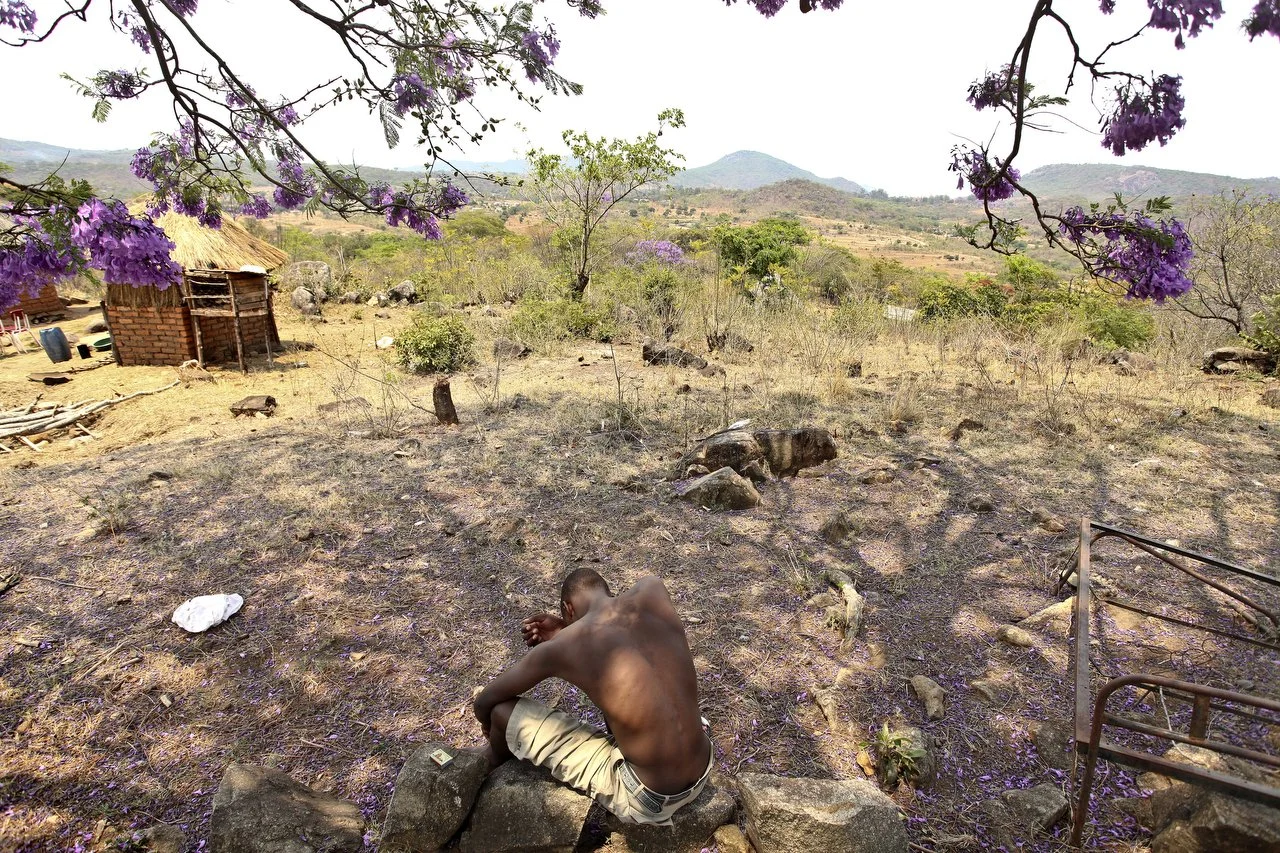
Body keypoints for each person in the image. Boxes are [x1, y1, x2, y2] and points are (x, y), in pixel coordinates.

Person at [472, 569, 712, 826]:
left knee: (502, 714)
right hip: (704, 765)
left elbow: (484, 703)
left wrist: (490, 728)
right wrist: (566, 629)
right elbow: (611, 635)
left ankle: (493, 759)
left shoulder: (563, 646)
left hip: (649, 796)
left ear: (568, 608)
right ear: (605, 591)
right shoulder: (653, 589)